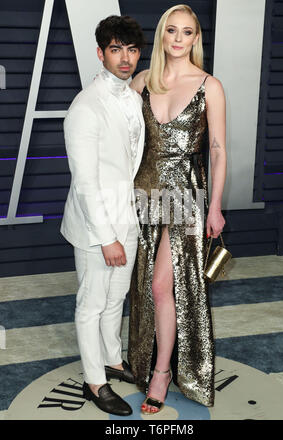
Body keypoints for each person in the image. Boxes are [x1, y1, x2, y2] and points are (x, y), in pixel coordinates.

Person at [127, 4, 226, 414]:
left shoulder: (209, 85)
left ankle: (162, 373)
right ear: (163, 37)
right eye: (172, 30)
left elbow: (217, 150)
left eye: (187, 32)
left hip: (185, 197)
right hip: (142, 195)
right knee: (142, 287)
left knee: (161, 286)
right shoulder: (141, 83)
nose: (179, 39)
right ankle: (143, 358)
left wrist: (215, 205)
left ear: (195, 38)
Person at [60, 15, 146, 416]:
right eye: (115, 49)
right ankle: (95, 381)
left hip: (126, 216)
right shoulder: (85, 107)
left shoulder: (132, 97)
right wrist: (105, 236)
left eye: (130, 49)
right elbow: (85, 182)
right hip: (97, 226)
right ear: (100, 53)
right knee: (91, 303)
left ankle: (113, 359)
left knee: (117, 297)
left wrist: (124, 225)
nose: (124, 58)